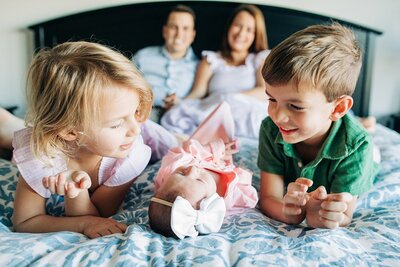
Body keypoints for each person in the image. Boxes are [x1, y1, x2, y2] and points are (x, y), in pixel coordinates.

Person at [12, 41, 155, 239]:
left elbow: (99, 215)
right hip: (52, 136)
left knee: (166, 140)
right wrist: (81, 223)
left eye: (136, 111)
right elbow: (24, 221)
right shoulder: (40, 153)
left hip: (150, 134)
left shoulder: (129, 155)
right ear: (70, 132)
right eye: (116, 124)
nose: (135, 129)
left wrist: (76, 191)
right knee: (24, 135)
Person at [257, 23, 380, 229]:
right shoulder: (271, 129)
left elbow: (344, 214)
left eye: (295, 106)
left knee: (372, 150)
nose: (277, 115)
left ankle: (365, 125)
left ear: (338, 107)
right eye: (272, 100)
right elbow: (269, 198)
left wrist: (324, 216)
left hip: (362, 147)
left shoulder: (358, 147)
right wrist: (289, 214)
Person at [148, 102, 258, 239]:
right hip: (226, 163)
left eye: (181, 173)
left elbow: (182, 151)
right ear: (210, 202)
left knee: (222, 110)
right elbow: (250, 197)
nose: (192, 170)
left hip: (202, 144)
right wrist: (241, 174)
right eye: (199, 180)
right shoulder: (227, 198)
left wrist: (214, 148)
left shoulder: (172, 168)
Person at [161, 4, 269, 139]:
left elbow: (264, 90)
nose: (241, 33)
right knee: (174, 115)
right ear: (229, 27)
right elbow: (198, 93)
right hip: (213, 112)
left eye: (249, 30)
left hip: (246, 115)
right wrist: (179, 102)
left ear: (255, 35)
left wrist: (230, 98)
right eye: (237, 25)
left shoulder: (260, 59)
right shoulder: (210, 60)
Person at [133, 4, 198, 122]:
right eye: (174, 27)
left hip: (181, 118)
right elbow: (125, 84)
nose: (179, 34)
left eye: (185, 28)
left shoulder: (199, 66)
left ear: (193, 35)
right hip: (144, 113)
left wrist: (181, 104)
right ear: (165, 31)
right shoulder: (143, 56)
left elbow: (201, 102)